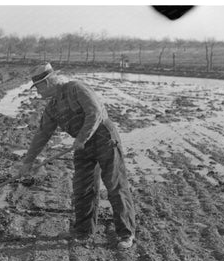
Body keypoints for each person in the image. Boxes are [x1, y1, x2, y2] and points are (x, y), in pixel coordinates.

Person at [18, 62, 136, 250]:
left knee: (115, 185)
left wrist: (82, 137)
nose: (37, 92)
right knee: (83, 187)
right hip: (83, 145)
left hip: (104, 137)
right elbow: (43, 134)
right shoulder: (52, 107)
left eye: (38, 87)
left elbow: (95, 112)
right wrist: (28, 161)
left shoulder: (75, 88)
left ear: (48, 82)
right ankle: (83, 231)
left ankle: (125, 233)